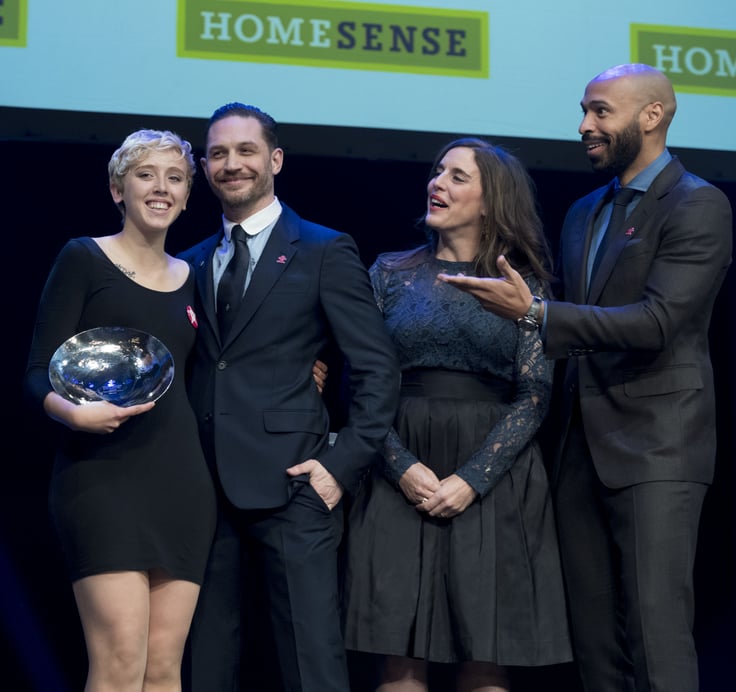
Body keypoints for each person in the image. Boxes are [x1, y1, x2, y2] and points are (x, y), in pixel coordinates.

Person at [440, 64, 733, 692]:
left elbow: (658, 321)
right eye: (584, 110)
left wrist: (538, 313)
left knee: (656, 634)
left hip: (658, 447)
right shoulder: (582, 212)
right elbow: (570, 327)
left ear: (651, 117)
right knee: (595, 645)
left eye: (601, 112)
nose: (584, 126)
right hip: (578, 450)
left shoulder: (699, 204)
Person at [179, 102, 400, 692]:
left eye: (246, 151)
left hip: (295, 486)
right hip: (202, 490)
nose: (232, 164)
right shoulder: (190, 261)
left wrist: (339, 467)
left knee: (312, 665)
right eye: (219, 154)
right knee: (205, 663)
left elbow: (378, 370)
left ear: (274, 160)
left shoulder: (326, 249)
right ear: (204, 167)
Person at [343, 138, 572, 691]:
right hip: (398, 463)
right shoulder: (389, 272)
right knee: (396, 655)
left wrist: (472, 479)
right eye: (437, 172)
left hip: (493, 475)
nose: (437, 183)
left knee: (486, 658)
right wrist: (401, 467)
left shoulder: (524, 285)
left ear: (491, 200)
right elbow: (362, 382)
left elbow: (536, 394)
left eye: (457, 176)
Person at [23, 129, 216, 691]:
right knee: (120, 661)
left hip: (183, 487)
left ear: (186, 197)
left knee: (162, 670)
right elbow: (36, 371)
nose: (161, 188)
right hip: (103, 480)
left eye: (175, 178)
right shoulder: (83, 257)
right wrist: (70, 413)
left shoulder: (197, 279)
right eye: (146, 175)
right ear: (118, 189)